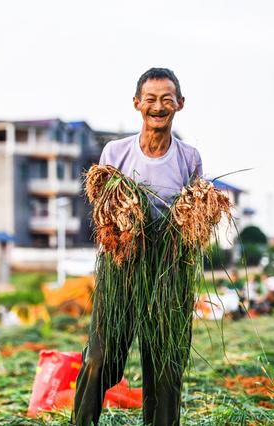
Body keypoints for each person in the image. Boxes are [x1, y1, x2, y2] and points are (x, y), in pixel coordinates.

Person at [73, 68, 202, 426]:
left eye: (166, 99)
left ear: (180, 104)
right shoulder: (116, 151)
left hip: (169, 272)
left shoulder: (189, 158)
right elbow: (103, 211)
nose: (158, 106)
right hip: (122, 268)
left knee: (165, 367)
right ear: (137, 104)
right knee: (100, 359)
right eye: (151, 99)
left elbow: (192, 216)